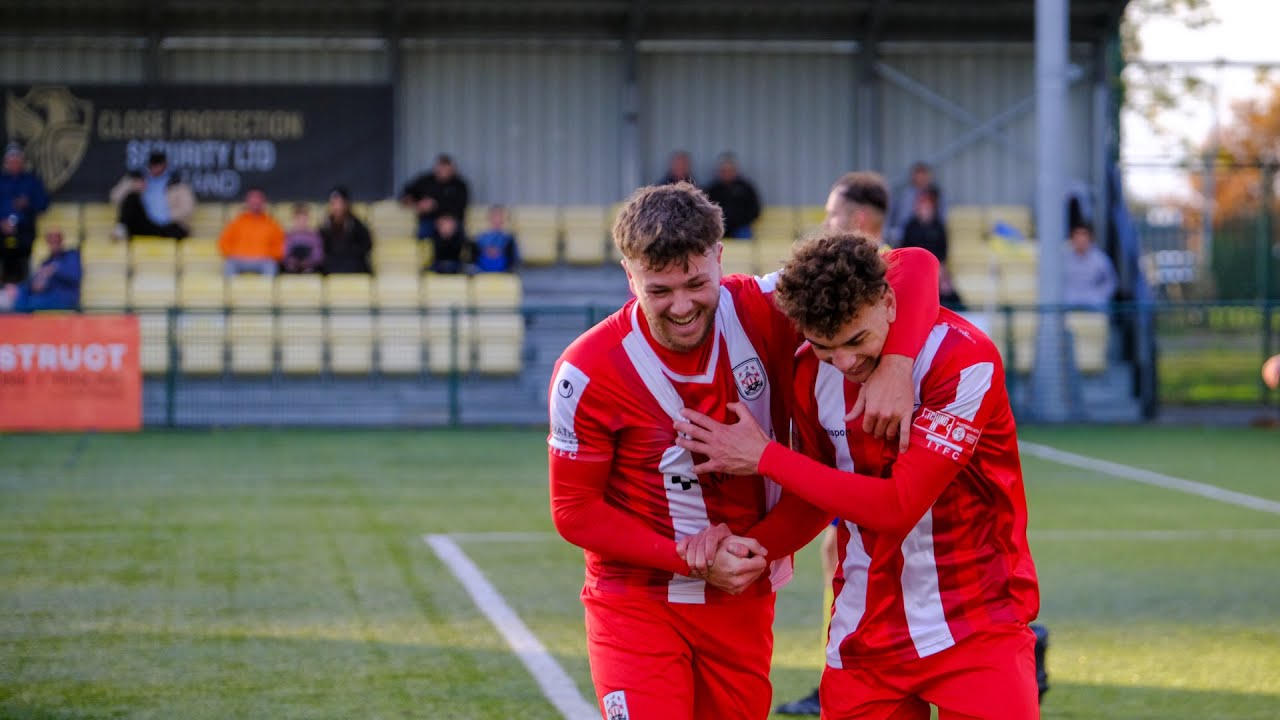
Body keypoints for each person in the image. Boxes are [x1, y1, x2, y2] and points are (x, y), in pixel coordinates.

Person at [548, 182, 942, 719]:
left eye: (696, 283)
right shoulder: (585, 371)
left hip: (741, 597)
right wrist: (689, 558)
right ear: (629, 274)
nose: (681, 306)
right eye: (659, 290)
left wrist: (896, 364)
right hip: (636, 600)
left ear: (719, 256)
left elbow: (912, 264)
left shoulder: (763, 307)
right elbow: (574, 511)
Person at [674, 232, 1041, 720]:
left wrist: (766, 457)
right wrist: (748, 547)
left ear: (889, 302)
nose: (845, 363)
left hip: (978, 623)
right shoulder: (809, 374)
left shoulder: (960, 358)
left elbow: (898, 507)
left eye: (857, 340)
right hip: (865, 635)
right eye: (825, 347)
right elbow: (816, 493)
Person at [109, 150, 195, 240]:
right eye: (152, 165)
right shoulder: (138, 178)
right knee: (131, 197)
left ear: (165, 165)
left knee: (180, 231)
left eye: (157, 165)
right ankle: (121, 229)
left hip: (167, 225)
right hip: (143, 224)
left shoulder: (177, 182)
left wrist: (166, 217)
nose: (154, 168)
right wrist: (132, 186)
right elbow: (114, 198)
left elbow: (187, 208)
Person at [0, 143, 49, 284]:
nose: (14, 164)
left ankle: (23, 286)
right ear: (6, 163)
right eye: (11, 161)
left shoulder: (32, 181)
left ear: (22, 162)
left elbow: (43, 205)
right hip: (1, 230)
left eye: (17, 161)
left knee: (21, 249)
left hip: (24, 231)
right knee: (7, 247)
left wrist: (28, 204)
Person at [0, 230, 80, 312]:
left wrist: (54, 271)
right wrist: (17, 288)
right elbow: (34, 282)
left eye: (56, 240)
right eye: (51, 241)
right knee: (21, 295)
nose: (53, 243)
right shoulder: (46, 262)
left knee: (29, 302)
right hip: (47, 295)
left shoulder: (71, 256)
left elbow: (74, 277)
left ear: (61, 241)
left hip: (65, 297)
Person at [400, 154, 470, 241]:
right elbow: (405, 196)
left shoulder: (460, 185)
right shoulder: (424, 181)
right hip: (429, 220)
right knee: (423, 235)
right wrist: (417, 204)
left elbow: (461, 206)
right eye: (441, 169)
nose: (444, 172)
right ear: (436, 168)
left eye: (447, 169)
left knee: (459, 237)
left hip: (452, 220)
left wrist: (438, 210)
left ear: (452, 169)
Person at [219, 187, 284, 277]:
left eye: (258, 198)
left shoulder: (272, 224)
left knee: (271, 266)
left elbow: (280, 245)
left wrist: (270, 255)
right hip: (239, 260)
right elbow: (224, 242)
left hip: (263, 260)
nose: (255, 201)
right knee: (229, 265)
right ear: (247, 201)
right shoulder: (237, 222)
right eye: (252, 198)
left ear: (263, 201)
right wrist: (233, 254)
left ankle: (266, 287)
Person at [704, 153, 761, 239]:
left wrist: (741, 220)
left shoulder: (746, 188)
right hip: (719, 227)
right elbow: (706, 211)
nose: (727, 173)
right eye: (724, 170)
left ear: (735, 170)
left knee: (745, 234)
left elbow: (755, 210)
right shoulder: (713, 190)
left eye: (730, 170)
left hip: (740, 228)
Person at [889, 162, 947, 246]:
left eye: (923, 176)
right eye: (918, 176)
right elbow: (900, 219)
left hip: (931, 231)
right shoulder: (906, 195)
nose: (921, 179)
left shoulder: (937, 194)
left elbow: (942, 218)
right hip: (909, 232)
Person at [319, 186, 373, 275]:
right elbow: (321, 248)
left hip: (353, 265)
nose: (337, 207)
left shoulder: (357, 225)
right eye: (333, 203)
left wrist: (349, 253)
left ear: (346, 204)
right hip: (332, 266)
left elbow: (366, 245)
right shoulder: (325, 226)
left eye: (339, 203)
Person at [1062, 224, 1117, 310]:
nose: (1080, 241)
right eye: (1077, 238)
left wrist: (1101, 295)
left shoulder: (1100, 258)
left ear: (1090, 239)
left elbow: (1111, 281)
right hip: (1069, 302)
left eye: (1083, 238)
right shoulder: (1064, 258)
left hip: (1093, 303)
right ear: (1072, 239)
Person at [471, 205, 519, 273]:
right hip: (482, 270)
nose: (498, 220)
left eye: (500, 217)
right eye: (495, 217)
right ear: (489, 218)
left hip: (504, 271)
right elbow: (474, 258)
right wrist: (488, 251)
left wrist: (499, 252)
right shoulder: (480, 238)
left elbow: (516, 258)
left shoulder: (509, 238)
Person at [281, 203, 324, 274]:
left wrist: (308, 262)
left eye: (304, 218)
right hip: (292, 268)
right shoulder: (288, 236)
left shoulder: (314, 236)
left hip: (310, 268)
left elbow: (318, 255)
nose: (301, 221)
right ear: (293, 219)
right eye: (298, 218)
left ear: (308, 219)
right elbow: (284, 254)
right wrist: (293, 261)